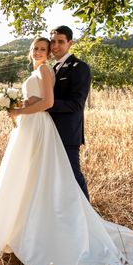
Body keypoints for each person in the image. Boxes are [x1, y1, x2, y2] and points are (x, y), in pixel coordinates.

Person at [0, 37, 133, 265]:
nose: (41, 52)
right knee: (28, 176)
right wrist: (20, 106)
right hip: (31, 128)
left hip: (38, 125)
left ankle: (50, 225)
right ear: (30, 50)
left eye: (45, 48)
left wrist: (19, 110)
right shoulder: (41, 69)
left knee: (43, 176)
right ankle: (20, 221)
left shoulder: (44, 69)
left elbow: (48, 103)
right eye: (37, 48)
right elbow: (38, 99)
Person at [48, 26, 91, 200]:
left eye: (60, 41)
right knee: (54, 177)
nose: (55, 46)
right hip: (48, 131)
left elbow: (76, 104)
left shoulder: (79, 67)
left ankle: (88, 215)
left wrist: (45, 105)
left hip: (67, 132)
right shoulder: (51, 68)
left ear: (70, 43)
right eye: (52, 41)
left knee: (73, 174)